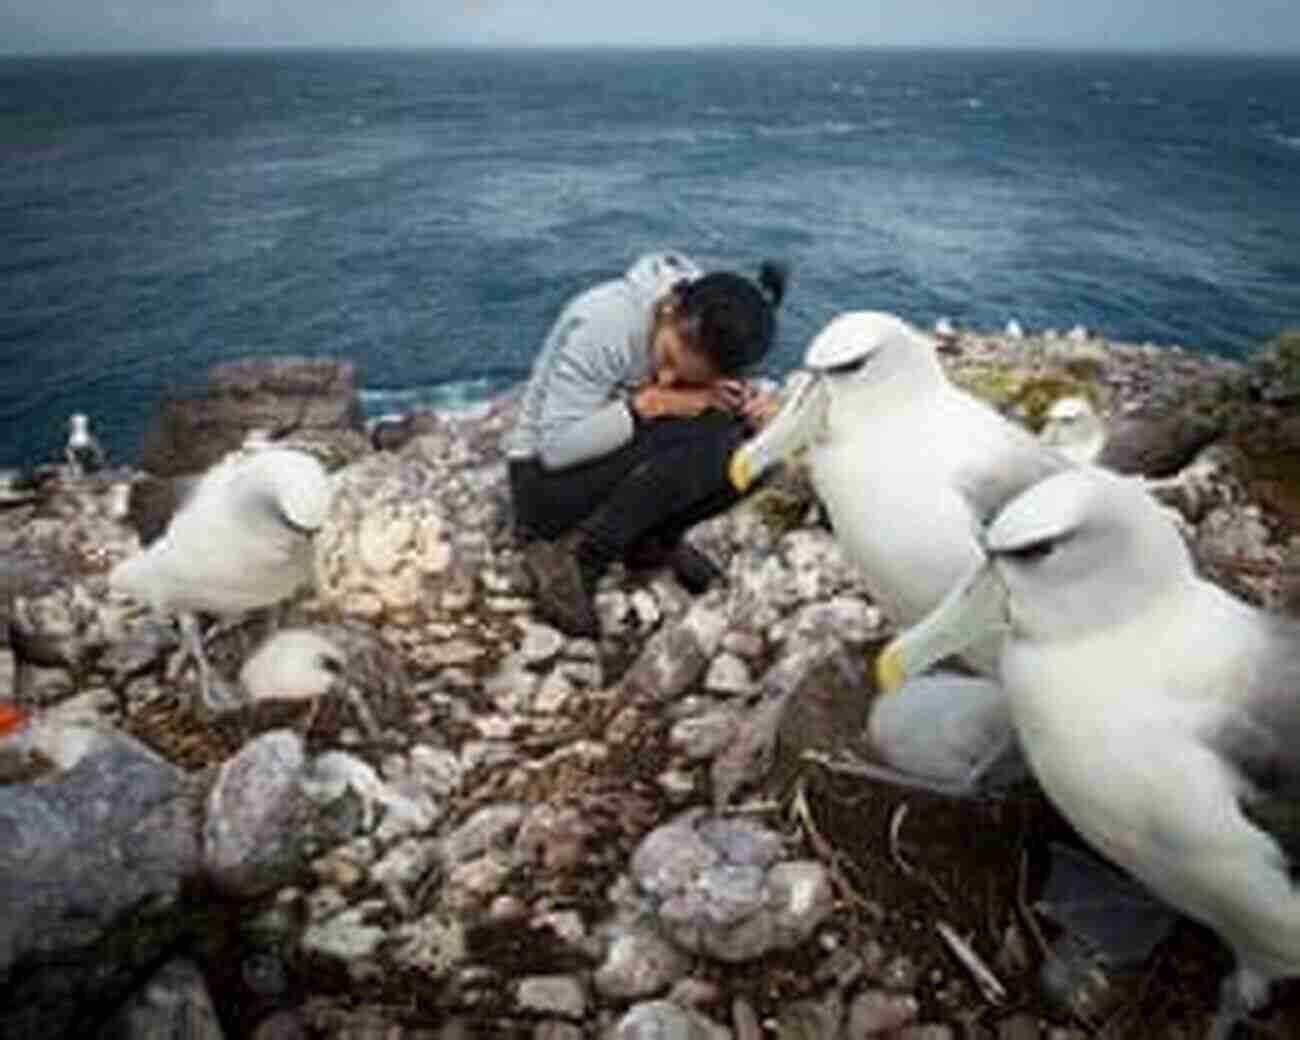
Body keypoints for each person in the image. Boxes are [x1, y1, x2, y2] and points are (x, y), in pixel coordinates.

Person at [505, 251, 789, 637]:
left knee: (756, 449)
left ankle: (651, 542)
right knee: (697, 442)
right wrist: (653, 403)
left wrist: (748, 405)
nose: (668, 376)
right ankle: (577, 555)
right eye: (668, 358)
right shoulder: (605, 322)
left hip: (609, 455)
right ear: (670, 308)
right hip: (542, 485)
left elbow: (708, 395)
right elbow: (555, 449)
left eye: (688, 374)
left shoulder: (705, 321)